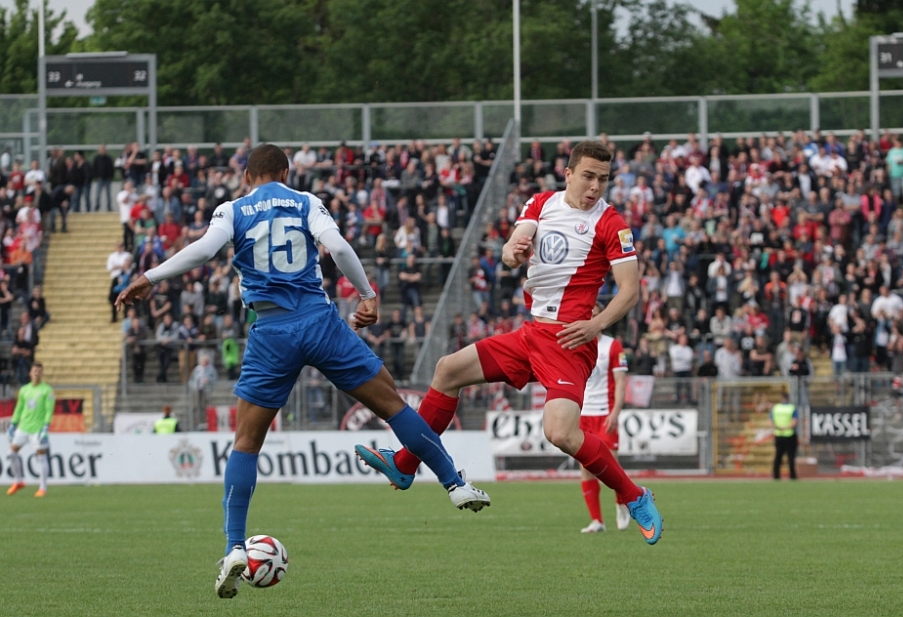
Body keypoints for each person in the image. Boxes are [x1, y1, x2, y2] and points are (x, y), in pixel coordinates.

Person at [115, 144, 489, 599]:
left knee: (246, 442)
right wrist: (367, 294)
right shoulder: (306, 201)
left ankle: (235, 547)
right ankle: (454, 483)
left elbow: (203, 251)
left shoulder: (232, 210)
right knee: (393, 405)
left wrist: (150, 277)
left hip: (271, 331)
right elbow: (339, 247)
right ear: (286, 172)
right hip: (319, 321)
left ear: (247, 176)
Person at [355, 141, 663, 545]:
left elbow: (630, 290)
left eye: (602, 179)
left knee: (560, 432)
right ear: (568, 174)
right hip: (532, 334)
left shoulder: (611, 223)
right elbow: (512, 247)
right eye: (588, 176)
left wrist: (596, 325)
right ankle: (405, 464)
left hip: (570, 341)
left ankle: (635, 495)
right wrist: (511, 253)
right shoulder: (541, 203)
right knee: (448, 370)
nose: (595, 186)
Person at [578, 303, 629, 534]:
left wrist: (615, 412)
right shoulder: (577, 343)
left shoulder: (612, 346)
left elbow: (620, 382)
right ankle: (597, 521)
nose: (592, 319)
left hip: (605, 414)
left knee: (611, 466)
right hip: (583, 415)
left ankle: (621, 503)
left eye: (596, 315)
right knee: (586, 468)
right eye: (589, 315)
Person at [6, 362, 55, 497]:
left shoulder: (47, 390)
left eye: (39, 371)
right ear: (30, 373)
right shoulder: (24, 390)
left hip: (38, 429)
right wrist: (13, 424)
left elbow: (49, 410)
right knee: (11, 453)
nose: (36, 373)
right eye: (35, 371)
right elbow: (19, 408)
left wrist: (46, 427)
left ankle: (43, 488)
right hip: (23, 427)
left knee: (41, 456)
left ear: (42, 373)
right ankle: (18, 481)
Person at [770, 392, 798, 480]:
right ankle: (792, 476)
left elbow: (771, 421)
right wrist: (785, 427)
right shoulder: (792, 408)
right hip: (789, 435)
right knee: (791, 457)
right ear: (788, 398)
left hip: (778, 434)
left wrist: (778, 427)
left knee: (778, 456)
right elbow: (794, 422)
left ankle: (776, 475)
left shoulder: (776, 408)